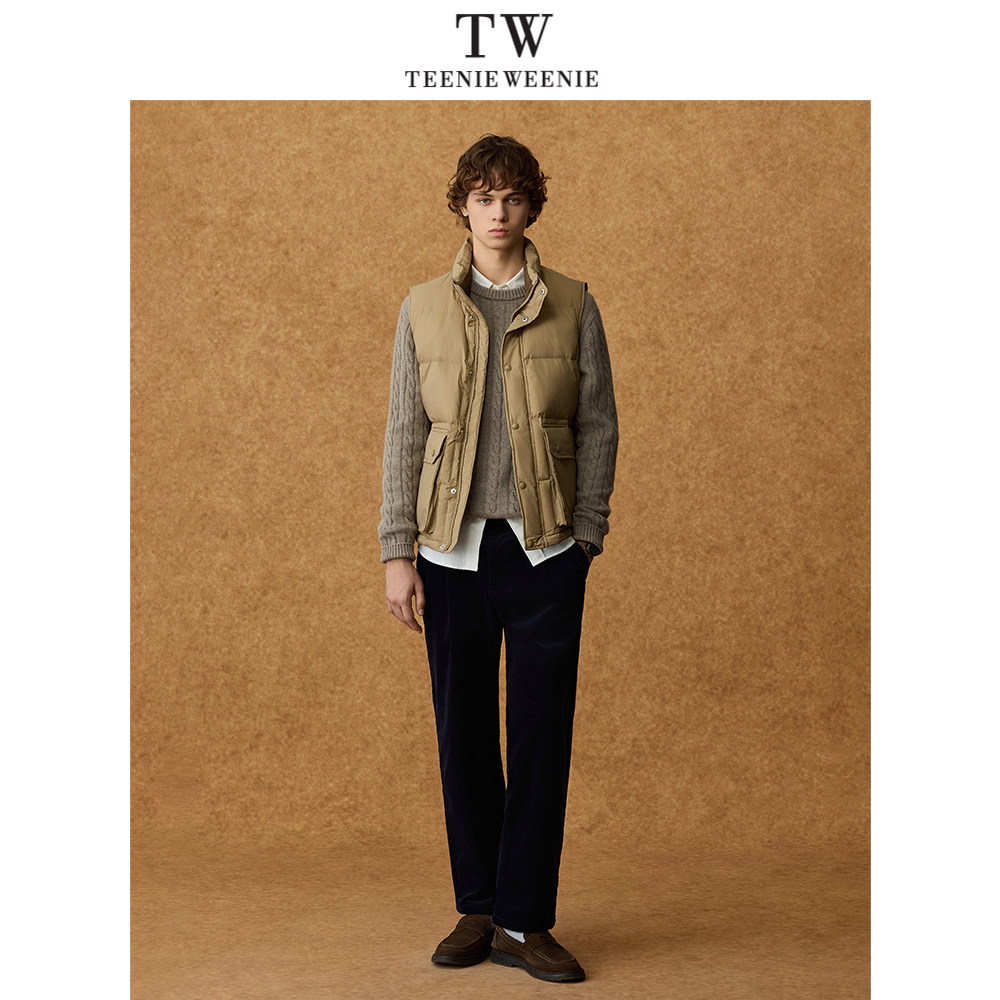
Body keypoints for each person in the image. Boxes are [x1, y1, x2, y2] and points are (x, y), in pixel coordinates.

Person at [378, 134, 618, 984]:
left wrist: (585, 535)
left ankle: (526, 920)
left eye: (513, 196)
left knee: (543, 736)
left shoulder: (573, 303)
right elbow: (405, 432)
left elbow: (598, 424)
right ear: (462, 207)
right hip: (450, 554)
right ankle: (478, 907)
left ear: (531, 207)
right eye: (483, 197)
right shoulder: (422, 308)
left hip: (545, 550)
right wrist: (397, 551)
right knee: (465, 735)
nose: (498, 212)